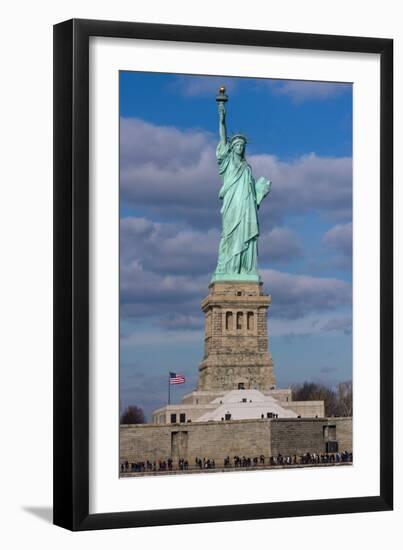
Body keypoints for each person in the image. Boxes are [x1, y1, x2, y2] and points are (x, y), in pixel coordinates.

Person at [212, 98, 271, 281]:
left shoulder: (247, 168)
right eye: (236, 145)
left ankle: (245, 269)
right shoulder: (227, 161)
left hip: (246, 206)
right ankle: (230, 267)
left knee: (246, 234)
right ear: (231, 147)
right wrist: (222, 116)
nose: (239, 147)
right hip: (232, 203)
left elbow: (253, 194)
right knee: (230, 234)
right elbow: (222, 136)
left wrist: (261, 193)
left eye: (242, 146)